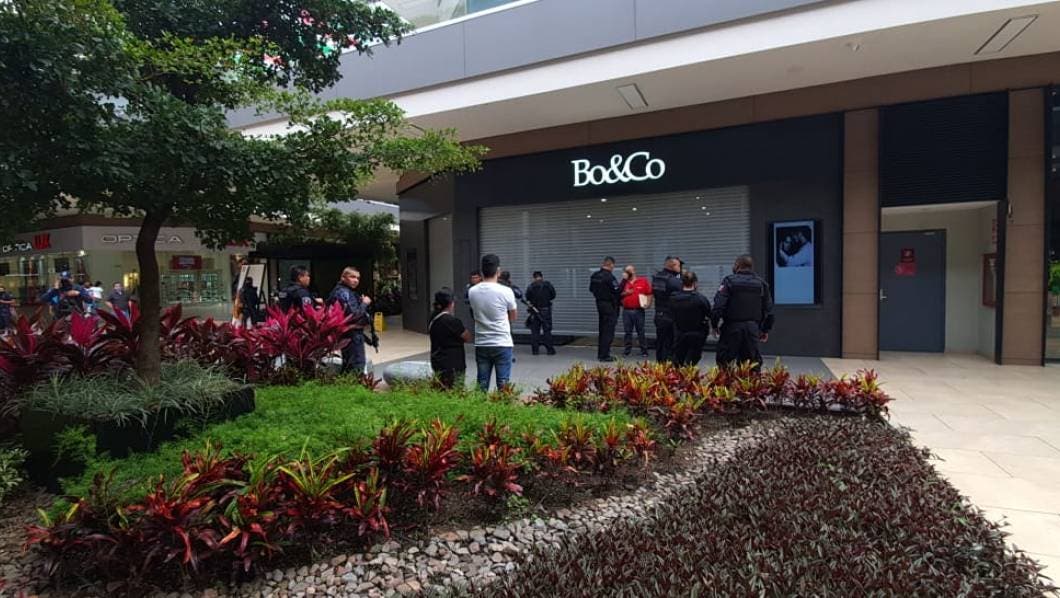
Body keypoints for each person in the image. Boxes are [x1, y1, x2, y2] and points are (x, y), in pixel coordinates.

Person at [711, 255, 775, 372]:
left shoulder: (729, 281)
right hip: (752, 330)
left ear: (737, 265)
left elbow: (718, 306)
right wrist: (765, 330)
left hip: (731, 329)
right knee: (751, 366)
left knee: (724, 365)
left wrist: (714, 325)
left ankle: (728, 384)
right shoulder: (761, 283)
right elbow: (769, 310)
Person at [467, 254, 517, 391]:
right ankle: (503, 405)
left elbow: (474, 314)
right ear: (498, 271)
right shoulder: (506, 291)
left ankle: (479, 404)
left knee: (482, 383)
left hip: (482, 342)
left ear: (482, 272)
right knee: (503, 383)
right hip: (502, 342)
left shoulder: (472, 291)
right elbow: (513, 316)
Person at [327, 267, 373, 375]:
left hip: (348, 334)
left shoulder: (342, 291)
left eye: (358, 278)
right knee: (356, 366)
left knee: (349, 364)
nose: (356, 280)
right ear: (343, 277)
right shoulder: (344, 292)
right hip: (352, 334)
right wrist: (365, 303)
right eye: (352, 277)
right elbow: (354, 315)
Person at [429, 289, 471, 389]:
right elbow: (467, 337)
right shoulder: (452, 321)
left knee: (441, 389)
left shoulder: (433, 318)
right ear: (450, 304)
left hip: (437, 360)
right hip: (453, 363)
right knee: (455, 390)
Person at [670, 270, 712, 367]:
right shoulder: (700, 299)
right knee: (692, 359)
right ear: (695, 283)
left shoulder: (673, 298)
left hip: (680, 333)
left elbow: (671, 313)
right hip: (697, 333)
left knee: (678, 359)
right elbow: (709, 314)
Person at [589, 256, 621, 362]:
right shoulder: (610, 277)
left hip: (599, 304)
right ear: (611, 265)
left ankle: (601, 353)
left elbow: (591, 289)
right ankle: (605, 355)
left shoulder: (595, 275)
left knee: (602, 329)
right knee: (608, 330)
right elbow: (617, 291)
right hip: (609, 305)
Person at [651, 256, 683, 363]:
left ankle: (660, 365)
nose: (680, 268)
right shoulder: (673, 280)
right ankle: (668, 367)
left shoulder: (657, 277)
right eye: (679, 266)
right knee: (670, 344)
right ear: (673, 266)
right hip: (670, 316)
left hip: (659, 314)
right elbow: (684, 292)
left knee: (660, 342)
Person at [619, 264, 651, 358]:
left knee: (641, 331)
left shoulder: (643, 281)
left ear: (634, 271)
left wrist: (648, 303)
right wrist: (626, 293)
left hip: (639, 310)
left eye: (630, 270)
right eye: (626, 271)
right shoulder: (623, 283)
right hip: (627, 311)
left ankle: (644, 350)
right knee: (627, 332)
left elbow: (649, 293)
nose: (628, 272)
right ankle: (627, 350)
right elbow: (618, 294)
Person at [524, 271, 556, 356]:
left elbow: (527, 298)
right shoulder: (548, 285)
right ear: (542, 277)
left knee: (535, 331)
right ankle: (550, 350)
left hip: (535, 311)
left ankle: (535, 350)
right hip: (546, 310)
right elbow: (553, 295)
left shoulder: (531, 286)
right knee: (547, 330)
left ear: (534, 278)